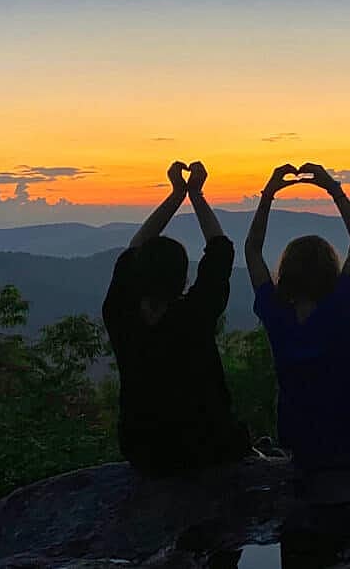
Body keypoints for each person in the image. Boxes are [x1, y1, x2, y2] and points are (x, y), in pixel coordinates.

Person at [102, 161, 250, 476]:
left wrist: (176, 194)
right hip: (208, 446)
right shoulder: (194, 314)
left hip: (144, 450)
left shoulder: (121, 314)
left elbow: (134, 248)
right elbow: (220, 250)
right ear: (183, 278)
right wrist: (195, 194)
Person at [245, 163, 350, 472]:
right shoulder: (338, 307)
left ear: (286, 273)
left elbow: (252, 250)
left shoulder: (275, 313)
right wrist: (334, 188)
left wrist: (268, 194)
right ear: (330, 269)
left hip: (299, 439)